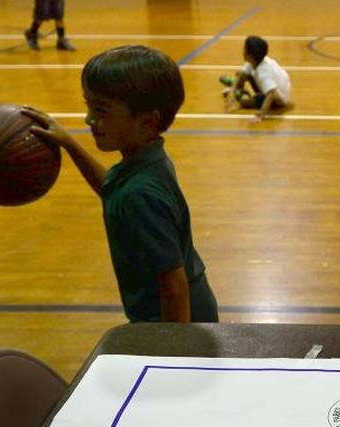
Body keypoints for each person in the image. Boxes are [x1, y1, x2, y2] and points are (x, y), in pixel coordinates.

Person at [23, 46, 218, 323]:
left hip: (174, 323)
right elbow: (111, 188)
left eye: (101, 109)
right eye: (88, 106)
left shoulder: (140, 194)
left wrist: (176, 356)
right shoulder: (147, 162)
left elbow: (174, 286)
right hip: (181, 315)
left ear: (147, 121)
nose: (89, 119)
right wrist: (68, 142)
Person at [219, 35, 291, 123]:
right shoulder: (255, 61)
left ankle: (241, 93)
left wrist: (261, 114)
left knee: (244, 101)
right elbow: (243, 73)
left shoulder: (263, 73)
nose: (243, 51)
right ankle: (235, 87)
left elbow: (271, 93)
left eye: (245, 49)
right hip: (275, 87)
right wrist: (232, 91)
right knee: (241, 73)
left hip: (276, 100)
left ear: (249, 56)